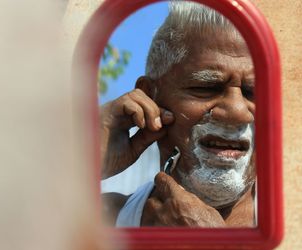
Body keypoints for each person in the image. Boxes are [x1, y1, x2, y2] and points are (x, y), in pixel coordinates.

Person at [101, 1, 256, 227]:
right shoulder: (107, 221)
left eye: (253, 92)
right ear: (150, 98)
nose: (238, 112)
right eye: (205, 88)